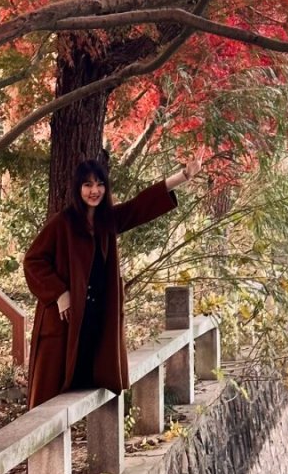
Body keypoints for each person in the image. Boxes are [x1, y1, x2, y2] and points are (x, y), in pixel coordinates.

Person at [23, 155, 203, 410]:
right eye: (87, 185)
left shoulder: (107, 220)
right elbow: (33, 260)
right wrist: (59, 292)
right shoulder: (62, 223)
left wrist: (183, 176)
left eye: (99, 184)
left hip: (94, 318)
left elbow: (140, 206)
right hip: (66, 320)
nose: (94, 191)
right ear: (78, 188)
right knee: (50, 393)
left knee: (89, 383)